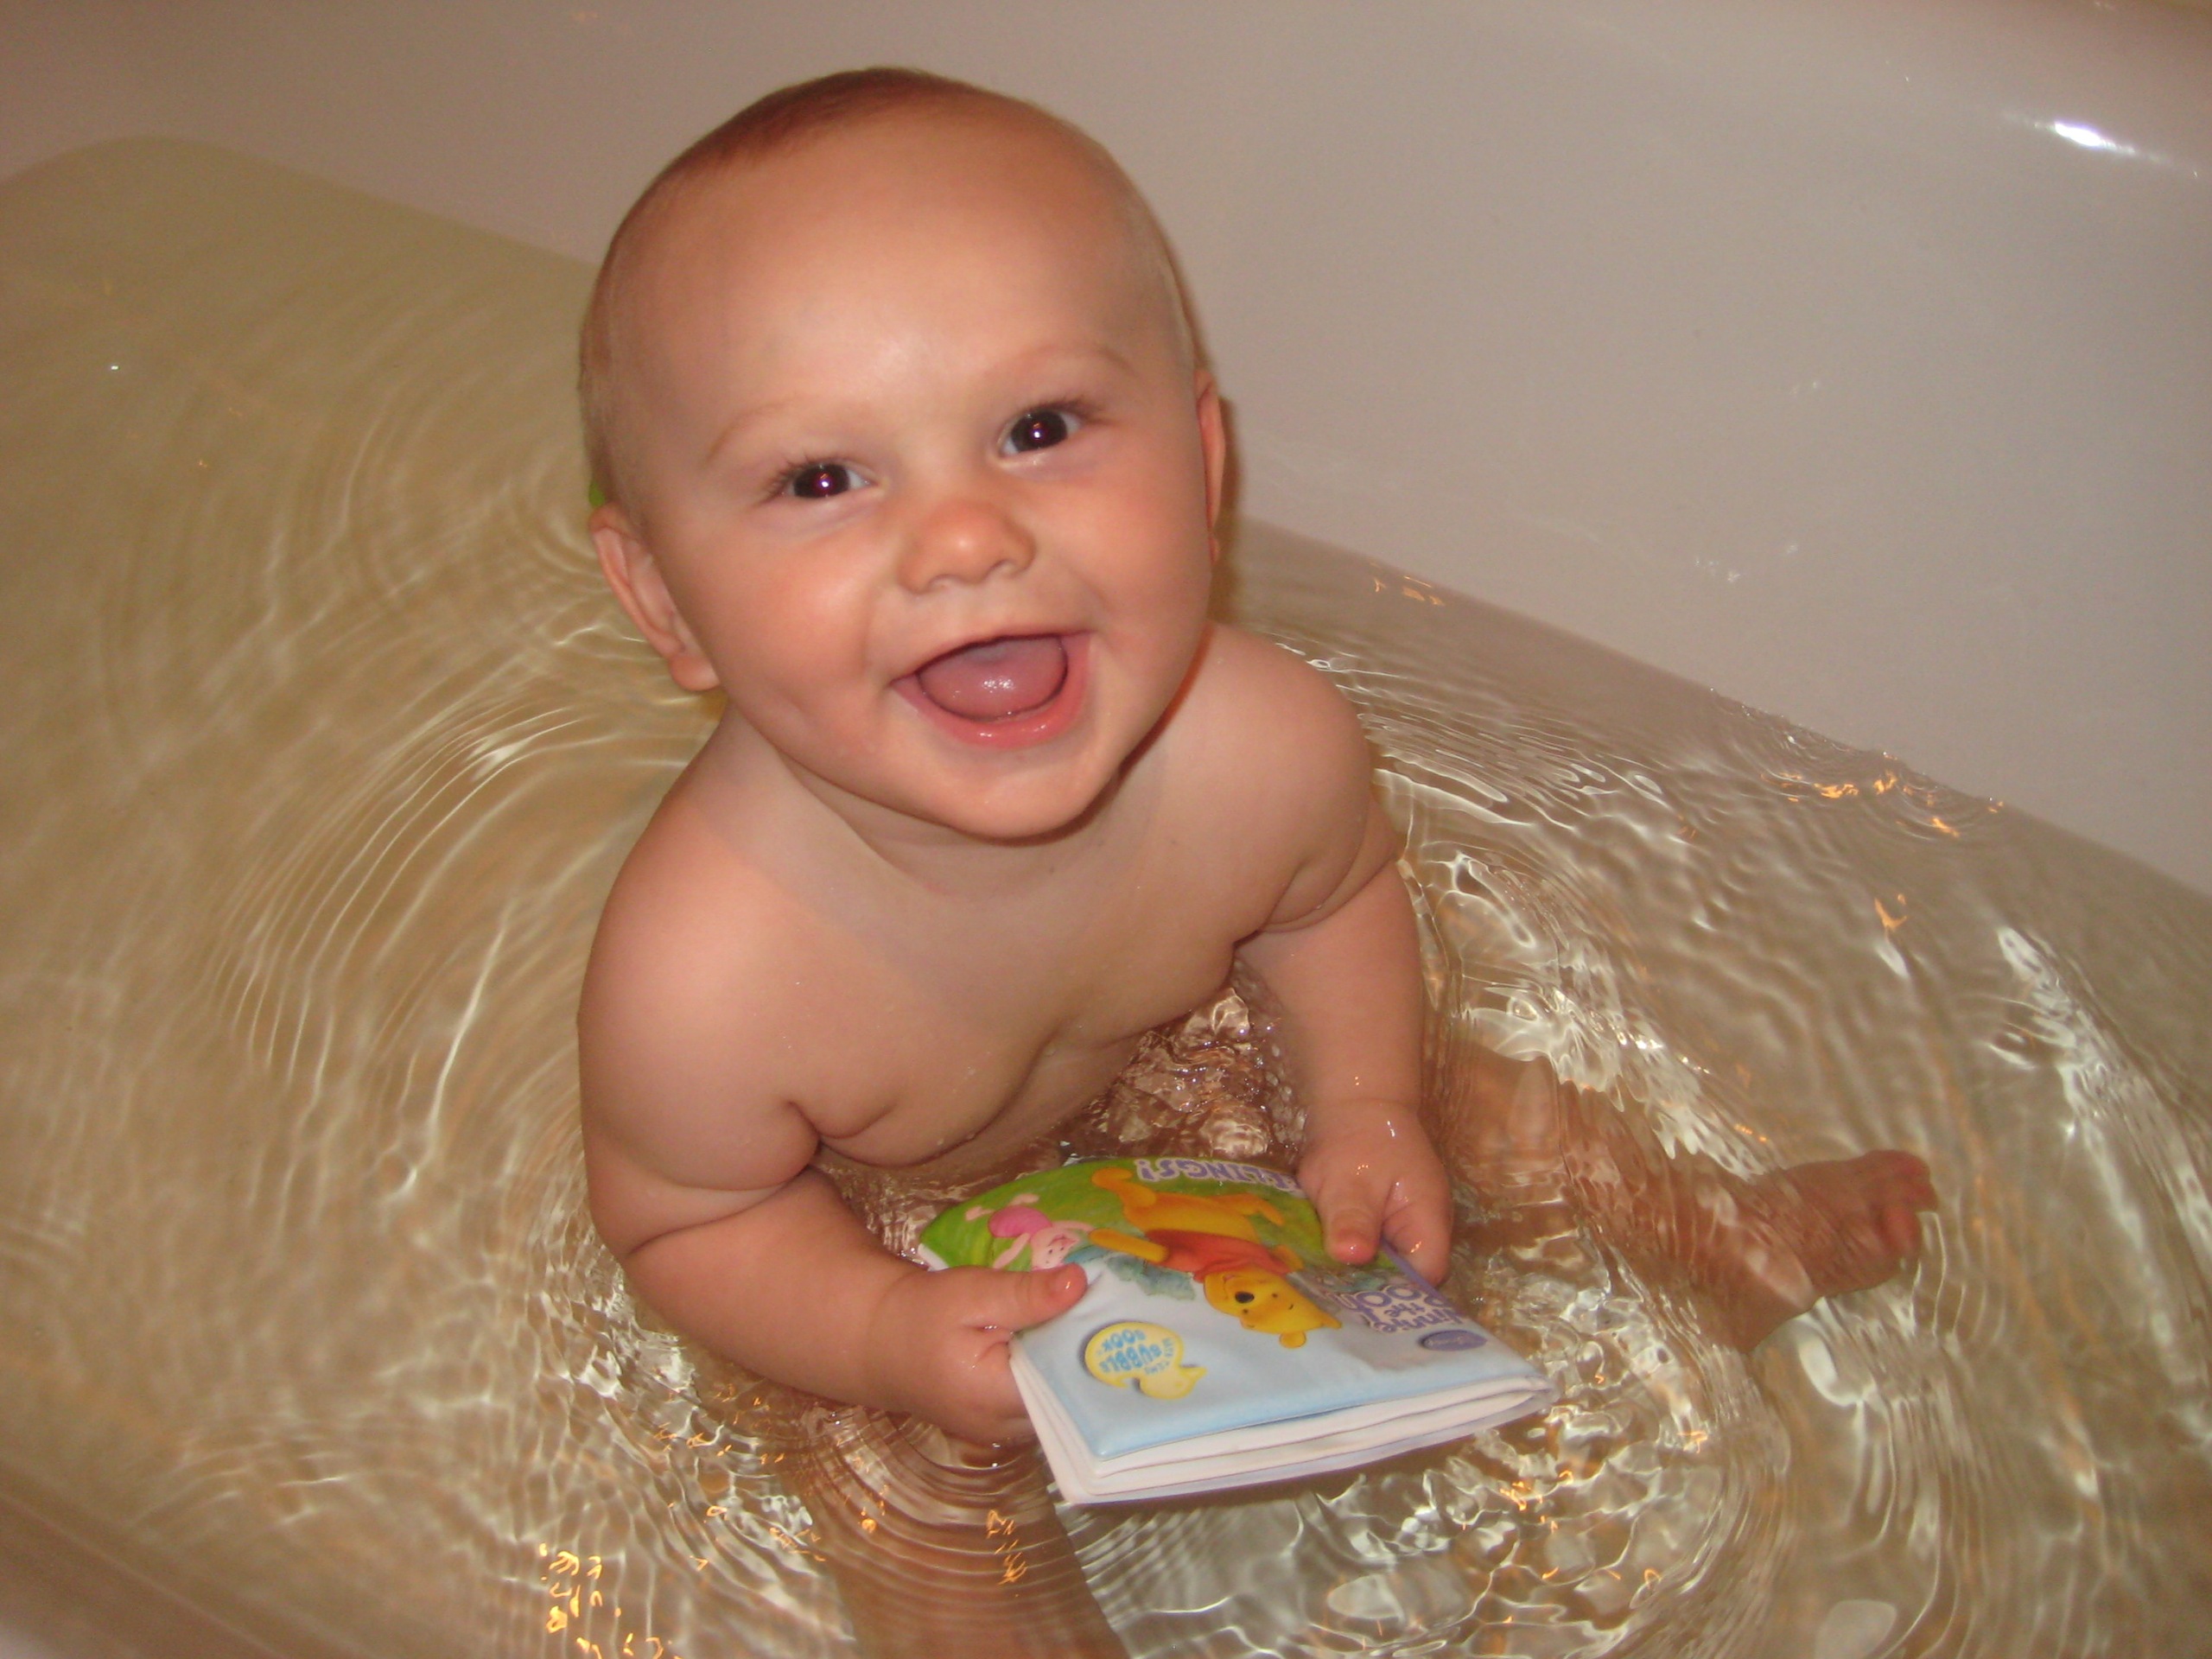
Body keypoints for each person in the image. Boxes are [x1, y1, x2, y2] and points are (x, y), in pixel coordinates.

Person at [575, 62, 1934, 1465]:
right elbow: (692, 1222)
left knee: (1473, 1106)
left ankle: (1712, 1237)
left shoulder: (1263, 749)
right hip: (879, 1232)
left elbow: (1332, 903)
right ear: (664, 599)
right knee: (885, 1469)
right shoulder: (706, 977)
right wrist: (878, 1333)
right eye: (820, 479)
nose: (966, 538)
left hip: (1191, 1059)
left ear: (1205, 462)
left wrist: (1362, 1107)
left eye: (1039, 430)